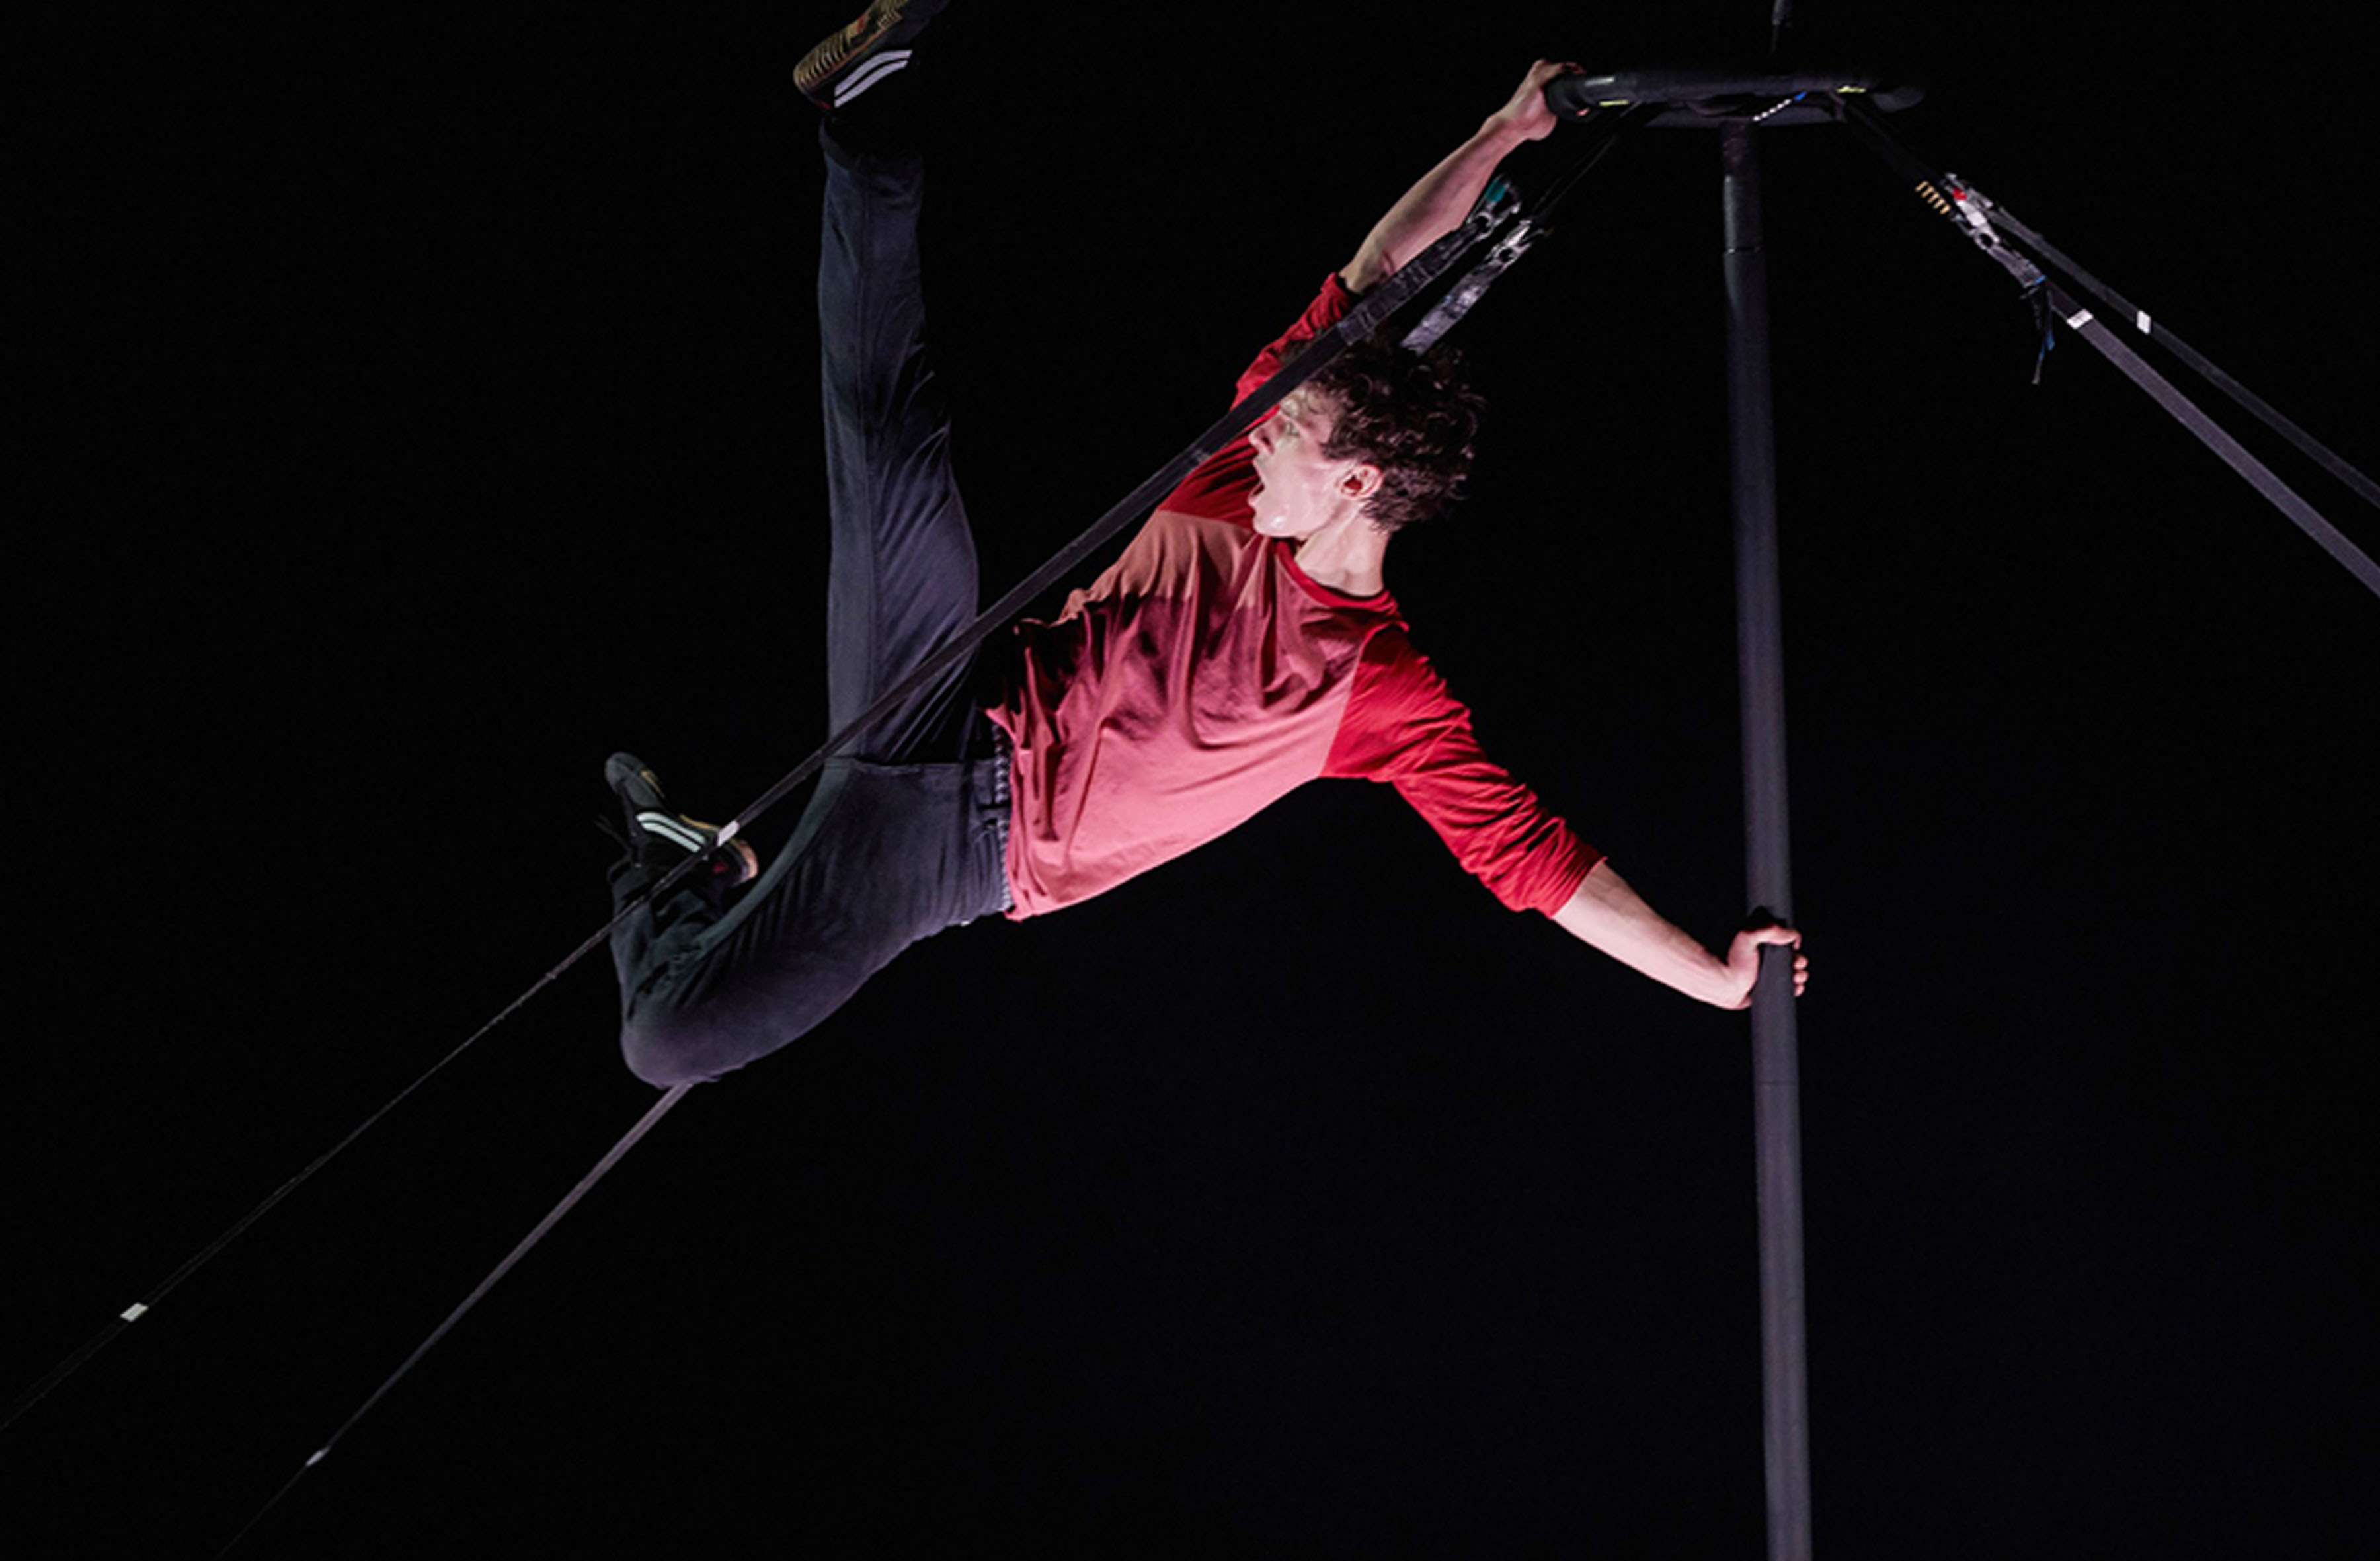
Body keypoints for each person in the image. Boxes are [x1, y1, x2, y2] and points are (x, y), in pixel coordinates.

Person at [606, 4, 1807, 1088]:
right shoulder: (1244, 476)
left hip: (957, 853)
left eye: (1286, 434)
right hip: (952, 694)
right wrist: (1503, 133)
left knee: (666, 1046)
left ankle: (677, 871)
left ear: (1355, 484)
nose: (1257, 432)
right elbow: (1379, 272)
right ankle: (867, 126)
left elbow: (1531, 860)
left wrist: (1710, 979)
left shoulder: (1376, 689)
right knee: (886, 440)